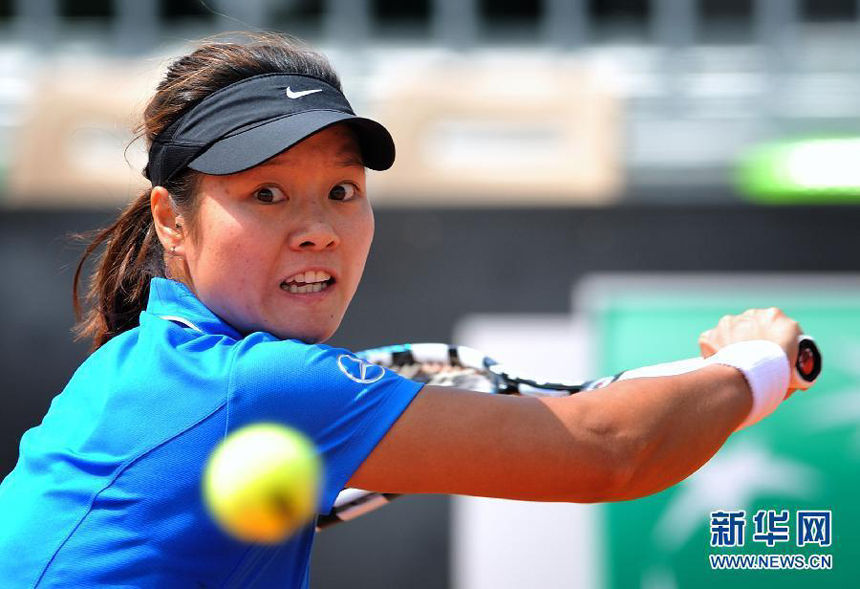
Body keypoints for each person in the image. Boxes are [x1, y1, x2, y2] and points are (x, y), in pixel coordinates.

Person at [0, 33, 806, 587]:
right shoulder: (263, 388)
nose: (317, 229)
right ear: (172, 220)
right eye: (267, 194)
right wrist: (757, 366)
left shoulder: (129, 368)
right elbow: (610, 450)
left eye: (342, 191)